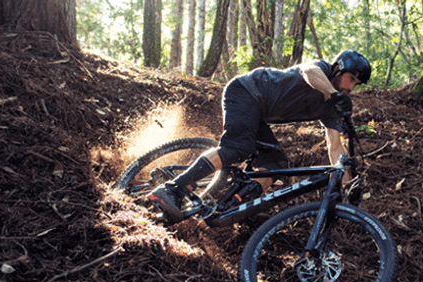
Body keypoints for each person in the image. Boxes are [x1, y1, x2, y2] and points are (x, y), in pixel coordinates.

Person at [148, 50, 372, 223]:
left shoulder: (331, 107)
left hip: (258, 114)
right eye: (350, 78)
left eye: (356, 83)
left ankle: (238, 208)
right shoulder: (321, 69)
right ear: (337, 69)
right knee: (238, 148)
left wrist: (348, 186)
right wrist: (333, 93)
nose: (351, 87)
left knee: (276, 164)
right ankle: (173, 189)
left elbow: (335, 148)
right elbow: (308, 72)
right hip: (246, 90)